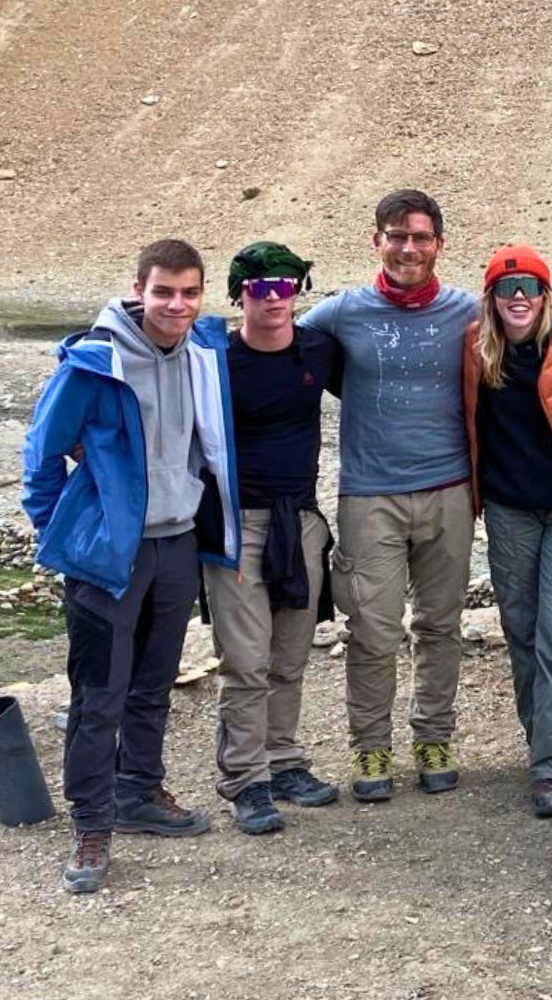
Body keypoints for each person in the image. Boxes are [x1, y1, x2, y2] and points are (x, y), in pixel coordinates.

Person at [22, 239, 241, 893]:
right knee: (99, 697)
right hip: (108, 558)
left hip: (176, 545)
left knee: (153, 683)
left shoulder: (203, 351)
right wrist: (72, 533)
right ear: (138, 290)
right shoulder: (95, 363)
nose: (177, 304)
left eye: (189, 291)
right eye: (164, 291)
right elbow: (42, 455)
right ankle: (92, 824)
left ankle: (139, 790)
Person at [296, 189, 477, 802]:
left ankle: (434, 736)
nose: (408, 248)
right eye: (396, 236)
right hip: (369, 494)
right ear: (376, 241)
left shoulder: (467, 313)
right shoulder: (342, 313)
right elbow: (268, 342)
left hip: (450, 489)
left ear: (438, 245)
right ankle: (370, 746)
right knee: (372, 628)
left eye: (420, 237)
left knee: (440, 624)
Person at [204, 242, 342, 835]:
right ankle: (244, 779)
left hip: (302, 520)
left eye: (286, 288)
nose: (274, 300)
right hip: (238, 525)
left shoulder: (316, 348)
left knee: (290, 654)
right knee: (246, 660)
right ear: (241, 294)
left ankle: (283, 760)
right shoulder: (212, 358)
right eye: (261, 289)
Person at [462, 245, 552, 818]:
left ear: (546, 294)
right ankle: (541, 742)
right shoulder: (473, 348)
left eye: (530, 287)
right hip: (509, 510)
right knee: (520, 629)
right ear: (491, 297)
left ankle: (551, 768)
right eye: (507, 288)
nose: (519, 298)